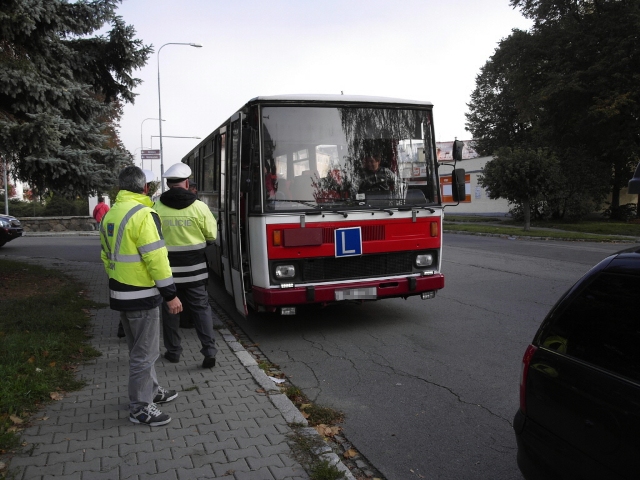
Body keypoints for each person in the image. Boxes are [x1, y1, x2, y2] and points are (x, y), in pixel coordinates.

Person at [99, 166, 183, 427]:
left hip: (121, 292)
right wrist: (170, 294)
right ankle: (140, 407)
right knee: (144, 354)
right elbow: (156, 258)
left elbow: (105, 255)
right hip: (142, 295)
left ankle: (152, 392)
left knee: (140, 350)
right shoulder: (144, 214)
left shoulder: (111, 214)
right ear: (145, 188)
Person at [154, 163, 218, 369]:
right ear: (187, 182)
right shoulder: (200, 207)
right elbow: (211, 236)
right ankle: (209, 352)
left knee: (170, 310)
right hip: (195, 270)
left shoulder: (156, 207)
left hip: (168, 271)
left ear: (168, 184)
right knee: (201, 309)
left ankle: (173, 352)